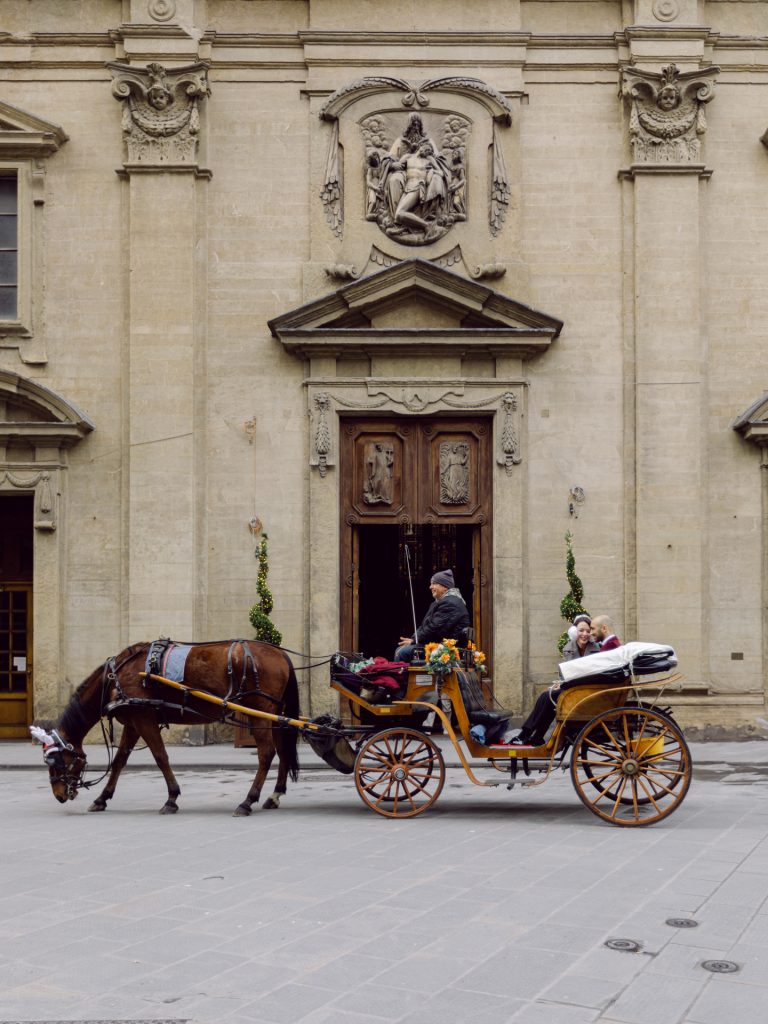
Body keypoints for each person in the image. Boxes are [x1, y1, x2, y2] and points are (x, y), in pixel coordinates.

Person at [510, 614, 621, 747]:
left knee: (548, 696)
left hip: (585, 692)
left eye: (590, 630)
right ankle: (535, 736)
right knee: (548, 696)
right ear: (574, 632)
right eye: (582, 630)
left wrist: (565, 684)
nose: (587, 633)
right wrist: (560, 683)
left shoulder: (605, 647)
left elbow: (593, 674)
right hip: (579, 688)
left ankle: (526, 734)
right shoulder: (578, 647)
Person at [394, 569, 470, 663]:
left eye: (434, 583)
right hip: (439, 644)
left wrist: (414, 641)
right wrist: (414, 639)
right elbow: (425, 626)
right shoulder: (442, 602)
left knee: (402, 652)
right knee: (401, 649)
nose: (430, 587)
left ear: (445, 586)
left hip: (447, 649)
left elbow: (434, 628)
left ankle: (403, 678)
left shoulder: (450, 603)